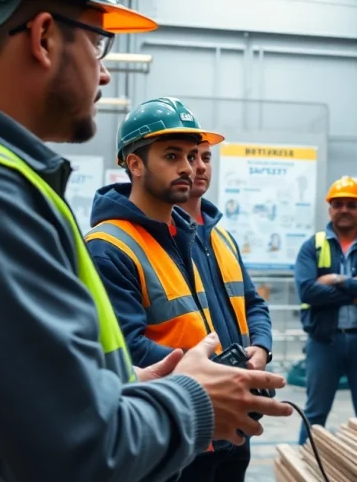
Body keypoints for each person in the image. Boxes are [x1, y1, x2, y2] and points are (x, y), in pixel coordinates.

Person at [0, 0, 292, 480]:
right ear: (44, 36)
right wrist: (196, 401)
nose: (105, 71)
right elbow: (78, 453)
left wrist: (129, 389)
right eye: (98, 41)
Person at [85, 97, 276, 481]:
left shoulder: (192, 236)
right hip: (177, 428)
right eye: (172, 156)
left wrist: (244, 362)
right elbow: (124, 347)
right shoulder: (108, 246)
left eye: (192, 156)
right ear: (134, 164)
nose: (189, 168)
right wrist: (215, 374)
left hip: (226, 424)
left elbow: (236, 309)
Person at [176, 140, 275, 480]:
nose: (198, 166)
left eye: (205, 157)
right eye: (189, 157)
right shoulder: (155, 239)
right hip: (192, 421)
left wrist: (260, 348)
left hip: (236, 417)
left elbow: (254, 304)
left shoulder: (222, 238)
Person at [293, 175, 357, 445]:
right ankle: (306, 470)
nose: (344, 210)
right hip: (324, 341)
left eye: (351, 204)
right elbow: (308, 291)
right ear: (330, 209)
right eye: (338, 204)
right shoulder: (312, 246)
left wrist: (337, 281)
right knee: (314, 414)